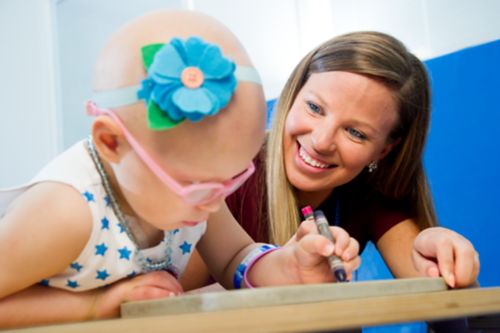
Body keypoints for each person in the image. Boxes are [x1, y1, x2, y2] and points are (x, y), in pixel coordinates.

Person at [0, 10, 360, 328]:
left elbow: (236, 259)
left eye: (230, 179)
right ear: (112, 143)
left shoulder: (198, 192)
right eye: (197, 186)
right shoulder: (67, 213)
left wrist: (292, 265)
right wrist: (95, 305)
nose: (213, 204)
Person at [224, 31, 479, 289]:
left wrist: (444, 258)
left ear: (383, 151)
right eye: (314, 108)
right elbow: (185, 302)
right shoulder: (228, 171)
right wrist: (280, 272)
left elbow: (445, 293)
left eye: (355, 133)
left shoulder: (369, 192)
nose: (321, 141)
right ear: (293, 96)